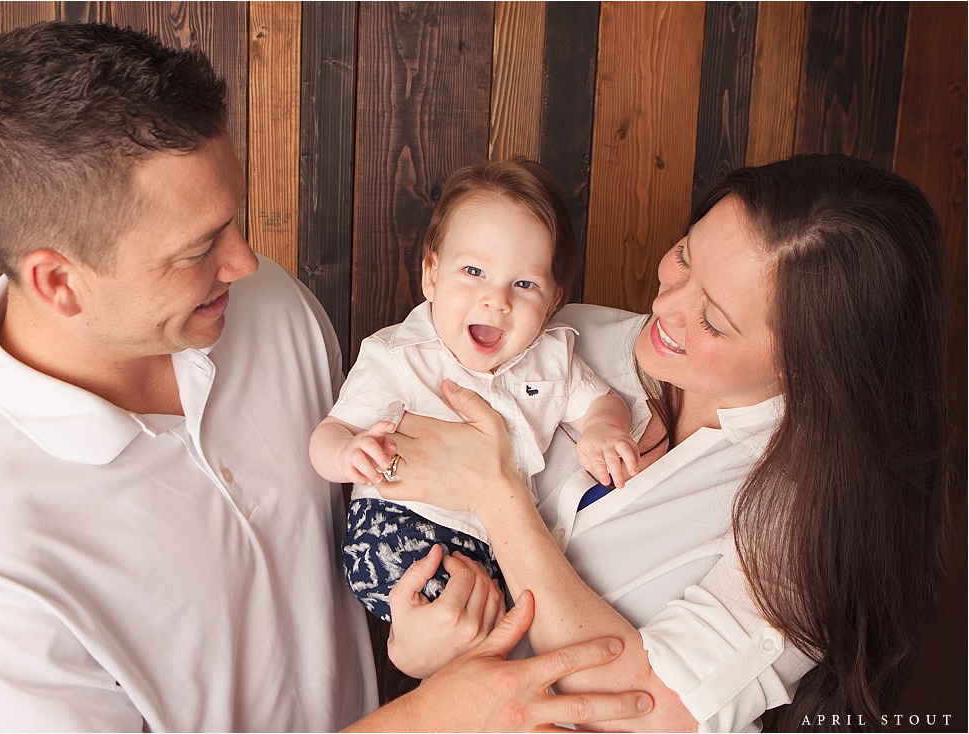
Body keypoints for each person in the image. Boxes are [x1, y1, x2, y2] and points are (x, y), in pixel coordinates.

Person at [0, 20, 654, 732]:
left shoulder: (266, 309)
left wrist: (416, 653)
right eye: (198, 248)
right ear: (58, 282)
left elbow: (359, 555)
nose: (246, 263)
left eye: (236, 221)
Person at [379, 154, 954, 731]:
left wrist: (497, 495)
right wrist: (418, 648)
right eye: (684, 256)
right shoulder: (560, 336)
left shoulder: (816, 516)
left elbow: (653, 710)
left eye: (713, 320)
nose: (665, 305)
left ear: (806, 364)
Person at [310, 159, 637, 641]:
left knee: (515, 617)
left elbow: (602, 402)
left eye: (524, 284)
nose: (496, 299)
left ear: (552, 302)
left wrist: (604, 427)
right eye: (474, 271)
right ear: (431, 275)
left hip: (500, 538)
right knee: (450, 614)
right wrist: (346, 452)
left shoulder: (553, 358)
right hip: (401, 523)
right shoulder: (400, 355)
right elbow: (329, 434)